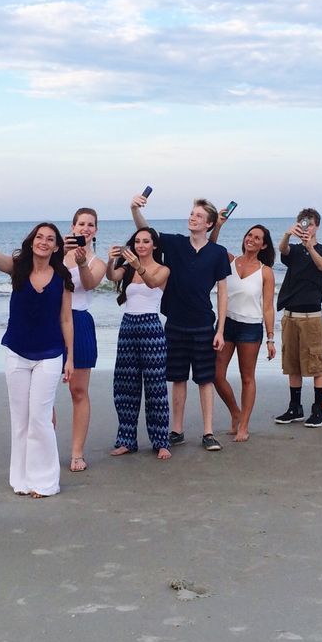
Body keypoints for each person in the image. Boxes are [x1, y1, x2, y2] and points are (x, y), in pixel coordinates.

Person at [0, 210, 74, 497]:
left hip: (50, 354)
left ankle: (46, 482)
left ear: (56, 247)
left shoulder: (62, 277)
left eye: (50, 239)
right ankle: (22, 479)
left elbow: (66, 319)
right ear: (32, 242)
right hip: (16, 352)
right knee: (21, 418)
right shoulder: (17, 268)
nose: (43, 242)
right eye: (39, 236)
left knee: (40, 417)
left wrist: (70, 358)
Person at [130, 194, 230, 451]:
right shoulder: (174, 244)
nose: (192, 217)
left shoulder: (217, 253)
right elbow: (145, 230)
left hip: (203, 324)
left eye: (198, 215)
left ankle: (208, 432)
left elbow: (222, 291)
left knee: (205, 379)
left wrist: (220, 330)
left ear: (209, 224)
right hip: (174, 322)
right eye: (191, 213)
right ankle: (177, 429)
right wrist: (134, 208)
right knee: (177, 378)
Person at [107, 228, 173, 458]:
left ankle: (161, 441)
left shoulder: (162, 269)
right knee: (125, 385)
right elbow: (111, 277)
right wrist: (110, 259)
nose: (141, 245)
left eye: (146, 241)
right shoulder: (127, 268)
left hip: (151, 326)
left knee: (155, 387)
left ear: (154, 245)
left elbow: (153, 283)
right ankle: (126, 439)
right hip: (128, 325)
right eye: (137, 241)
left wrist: (137, 265)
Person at [212, 225, 277, 441]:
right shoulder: (229, 260)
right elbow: (211, 246)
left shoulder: (265, 271)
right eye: (249, 235)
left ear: (264, 244)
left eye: (257, 238)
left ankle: (244, 426)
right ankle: (235, 412)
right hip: (226, 324)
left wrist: (270, 338)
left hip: (250, 327)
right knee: (216, 375)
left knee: (247, 377)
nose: (251, 239)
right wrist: (218, 225)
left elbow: (268, 306)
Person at [273, 208, 322, 427]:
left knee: (317, 363)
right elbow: (283, 250)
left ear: (316, 225)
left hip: (312, 317)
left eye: (309, 223)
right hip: (290, 315)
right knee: (292, 364)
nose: (306, 226)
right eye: (302, 222)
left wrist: (310, 246)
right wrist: (288, 234)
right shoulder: (295, 250)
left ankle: (318, 410)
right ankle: (294, 407)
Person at [62, 208, 108, 473]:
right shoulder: (56, 251)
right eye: (81, 223)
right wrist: (62, 252)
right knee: (44, 388)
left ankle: (77, 452)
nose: (86, 228)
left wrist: (80, 263)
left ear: (96, 230)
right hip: (51, 321)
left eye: (91, 225)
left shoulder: (95, 261)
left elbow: (90, 284)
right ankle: (43, 445)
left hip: (79, 321)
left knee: (78, 390)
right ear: (73, 226)